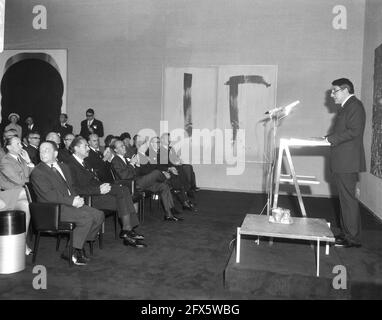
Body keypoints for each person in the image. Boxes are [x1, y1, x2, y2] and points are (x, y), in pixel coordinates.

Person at [30, 141, 104, 265]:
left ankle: (77, 245)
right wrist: (72, 201)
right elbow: (49, 196)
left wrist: (77, 199)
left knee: (98, 215)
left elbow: (72, 187)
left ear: (55, 153)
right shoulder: (38, 172)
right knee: (86, 218)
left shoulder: (64, 167)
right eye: (41, 151)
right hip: (52, 209)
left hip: (68, 204)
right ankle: (72, 250)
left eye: (46, 150)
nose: (42, 153)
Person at [66, 137, 146, 248]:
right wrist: (98, 189)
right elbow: (75, 189)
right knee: (122, 198)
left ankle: (128, 230)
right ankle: (127, 231)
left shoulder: (84, 162)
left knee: (123, 190)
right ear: (76, 148)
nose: (88, 148)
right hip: (87, 198)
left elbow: (93, 180)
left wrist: (102, 185)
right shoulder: (70, 164)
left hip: (96, 192)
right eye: (85, 146)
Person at [325, 78, 366, 248]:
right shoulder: (346, 107)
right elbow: (344, 131)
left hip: (347, 162)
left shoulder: (354, 106)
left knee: (348, 200)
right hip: (343, 161)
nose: (332, 94)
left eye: (335, 91)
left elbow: (355, 131)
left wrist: (330, 139)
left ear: (345, 90)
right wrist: (326, 138)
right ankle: (347, 233)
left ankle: (352, 238)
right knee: (345, 199)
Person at [111, 139, 183, 221]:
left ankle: (169, 215)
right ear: (115, 150)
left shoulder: (126, 158)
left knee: (163, 186)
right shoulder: (115, 160)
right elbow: (124, 176)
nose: (124, 147)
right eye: (121, 146)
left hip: (139, 181)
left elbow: (135, 173)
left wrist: (137, 165)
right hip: (132, 185)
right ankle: (166, 178)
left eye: (124, 145)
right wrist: (131, 164)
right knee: (156, 172)